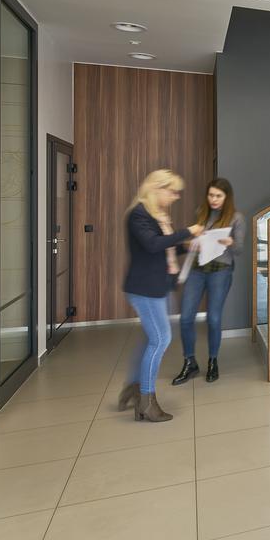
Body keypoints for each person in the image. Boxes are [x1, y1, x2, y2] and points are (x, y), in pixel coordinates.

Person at [117, 169, 203, 422]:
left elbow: (164, 249)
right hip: (146, 289)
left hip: (160, 286)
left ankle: (133, 387)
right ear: (157, 188)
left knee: (151, 339)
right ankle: (146, 401)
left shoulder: (157, 216)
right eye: (173, 191)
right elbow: (153, 244)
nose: (176, 197)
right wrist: (188, 231)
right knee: (160, 339)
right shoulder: (139, 214)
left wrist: (186, 246)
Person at [172, 178, 245, 385]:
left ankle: (213, 361)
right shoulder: (201, 212)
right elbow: (195, 239)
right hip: (197, 269)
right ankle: (190, 362)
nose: (214, 199)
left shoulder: (237, 217)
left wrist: (230, 242)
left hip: (220, 271)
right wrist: (194, 242)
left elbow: (239, 249)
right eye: (211, 195)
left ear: (227, 197)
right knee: (186, 318)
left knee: (213, 318)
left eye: (218, 196)